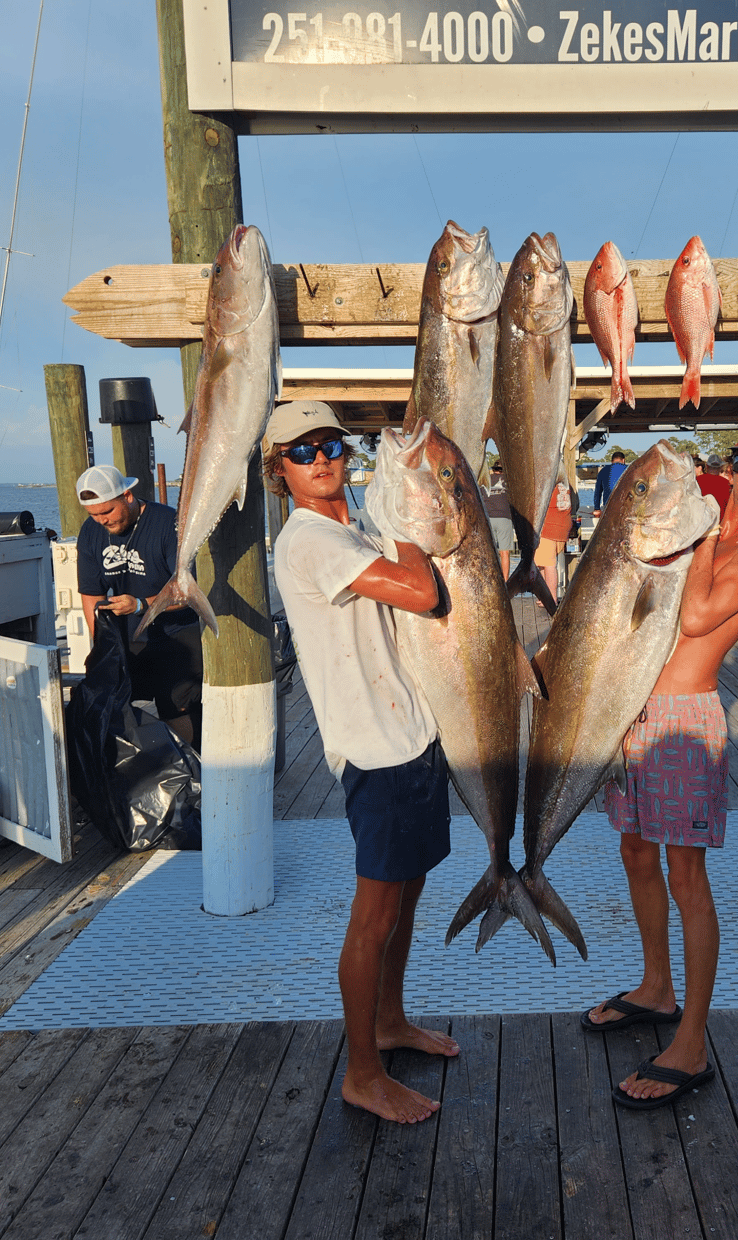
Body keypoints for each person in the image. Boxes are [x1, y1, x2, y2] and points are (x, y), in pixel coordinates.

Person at [583, 425, 738, 1110]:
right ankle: (655, 985)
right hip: (635, 706)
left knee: (687, 875)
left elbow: (702, 615)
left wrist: (703, 534)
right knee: (634, 852)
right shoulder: (702, 518)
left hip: (684, 719)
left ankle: (692, 1039)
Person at [266, 400, 459, 1125]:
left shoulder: (356, 527)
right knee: (373, 915)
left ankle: (389, 1021)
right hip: (375, 750)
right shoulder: (311, 539)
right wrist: (416, 529)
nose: (320, 459)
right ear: (279, 469)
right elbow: (421, 588)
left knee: (406, 897)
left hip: (413, 735)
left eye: (329, 445)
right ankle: (362, 1073)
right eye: (301, 450)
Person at [75, 464, 203, 749]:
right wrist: (101, 643)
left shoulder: (168, 524)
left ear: (128, 496)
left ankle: (191, 770)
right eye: (94, 515)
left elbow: (187, 589)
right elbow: (90, 594)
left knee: (177, 706)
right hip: (128, 634)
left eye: (107, 512)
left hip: (176, 631)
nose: (102, 521)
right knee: (108, 698)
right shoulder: (91, 531)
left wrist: (141, 605)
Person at [536, 479, 578, 608]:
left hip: (549, 526)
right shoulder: (566, 484)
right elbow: (575, 503)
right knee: (541, 562)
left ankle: (551, 598)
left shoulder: (546, 484)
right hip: (563, 526)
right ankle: (545, 595)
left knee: (548, 564)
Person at [482, 460, 514, 580]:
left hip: (489, 519)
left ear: (494, 469)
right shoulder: (510, 482)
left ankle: (491, 580)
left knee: (490, 553)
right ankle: (505, 583)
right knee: (504, 553)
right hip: (504, 518)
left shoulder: (486, 480)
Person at [591, 450, 627, 517]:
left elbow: (598, 492)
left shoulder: (603, 470)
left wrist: (597, 508)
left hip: (608, 507)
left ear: (612, 461)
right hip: (625, 506)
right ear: (623, 460)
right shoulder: (628, 469)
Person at [697, 451, 732, 517]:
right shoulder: (727, 483)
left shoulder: (697, 480)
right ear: (721, 467)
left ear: (707, 466)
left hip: (700, 522)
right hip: (720, 524)